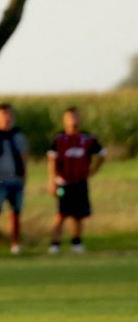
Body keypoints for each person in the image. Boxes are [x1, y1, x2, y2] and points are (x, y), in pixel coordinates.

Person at [47, 106, 105, 254]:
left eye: (75, 117)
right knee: (61, 213)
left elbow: (102, 154)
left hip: (80, 182)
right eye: (69, 117)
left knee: (79, 215)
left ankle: (76, 243)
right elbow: (51, 161)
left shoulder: (87, 139)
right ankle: (55, 244)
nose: (73, 120)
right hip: (63, 183)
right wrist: (52, 181)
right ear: (64, 120)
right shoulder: (59, 139)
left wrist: (93, 170)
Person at [0, 103, 28, 254]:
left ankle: (15, 244)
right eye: (2, 114)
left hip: (16, 179)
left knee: (15, 212)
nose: (6, 117)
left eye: (8, 114)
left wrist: (24, 177)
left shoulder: (17, 135)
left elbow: (23, 157)